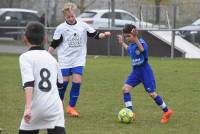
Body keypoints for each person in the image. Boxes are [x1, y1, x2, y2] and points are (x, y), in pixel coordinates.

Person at [48, 2, 111, 117]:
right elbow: (54, 44)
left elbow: (95, 35)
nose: (71, 18)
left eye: (72, 16)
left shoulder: (83, 25)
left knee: (77, 82)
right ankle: (58, 104)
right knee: (63, 84)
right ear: (65, 17)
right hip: (65, 60)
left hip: (78, 60)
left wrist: (104, 35)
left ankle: (71, 107)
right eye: (68, 17)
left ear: (75, 14)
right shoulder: (61, 28)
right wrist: (47, 55)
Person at [117, 24, 173, 124]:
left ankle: (167, 111)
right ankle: (131, 112)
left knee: (152, 94)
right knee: (125, 89)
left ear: (134, 34)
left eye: (128, 36)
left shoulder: (141, 43)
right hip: (135, 72)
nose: (127, 38)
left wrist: (135, 37)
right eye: (125, 37)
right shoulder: (132, 46)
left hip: (145, 72)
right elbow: (129, 49)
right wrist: (122, 43)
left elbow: (142, 49)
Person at [18, 21, 66, 134]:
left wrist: (28, 108)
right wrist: (60, 105)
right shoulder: (52, 59)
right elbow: (60, 83)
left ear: (25, 38)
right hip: (54, 107)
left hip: (36, 107)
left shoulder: (25, 57)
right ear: (45, 39)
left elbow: (29, 83)